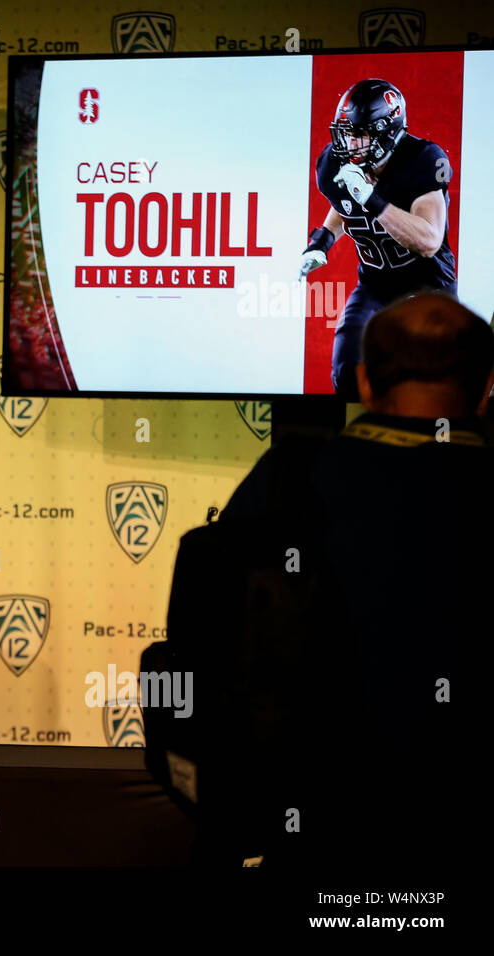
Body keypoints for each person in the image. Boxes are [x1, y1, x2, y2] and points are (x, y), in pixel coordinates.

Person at [220, 292, 492, 864]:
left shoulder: (288, 481)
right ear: (489, 385)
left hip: (320, 829)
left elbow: (222, 649)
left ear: (364, 383)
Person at [299, 79, 457, 401]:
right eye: (348, 133)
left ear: (389, 132)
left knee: (423, 385)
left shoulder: (423, 160)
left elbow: (429, 239)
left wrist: (372, 198)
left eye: (361, 134)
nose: (350, 143)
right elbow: (344, 204)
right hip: (375, 285)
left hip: (428, 287)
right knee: (348, 371)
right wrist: (323, 239)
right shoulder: (334, 163)